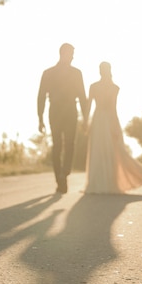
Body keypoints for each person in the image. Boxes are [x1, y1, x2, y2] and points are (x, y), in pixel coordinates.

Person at [84, 62, 142, 194]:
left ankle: (107, 183)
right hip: (100, 120)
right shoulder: (99, 87)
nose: (101, 71)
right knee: (100, 150)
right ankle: (99, 183)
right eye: (100, 69)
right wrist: (86, 122)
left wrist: (114, 127)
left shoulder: (113, 88)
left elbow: (111, 108)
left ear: (106, 71)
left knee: (110, 150)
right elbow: (91, 105)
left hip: (105, 119)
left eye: (102, 69)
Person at [37, 43, 88, 193]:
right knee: (59, 144)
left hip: (68, 110)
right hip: (57, 111)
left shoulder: (76, 73)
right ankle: (60, 177)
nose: (73, 57)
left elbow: (82, 96)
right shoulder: (49, 73)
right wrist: (40, 118)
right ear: (63, 53)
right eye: (71, 53)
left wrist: (86, 118)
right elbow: (41, 96)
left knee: (68, 144)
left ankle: (64, 173)